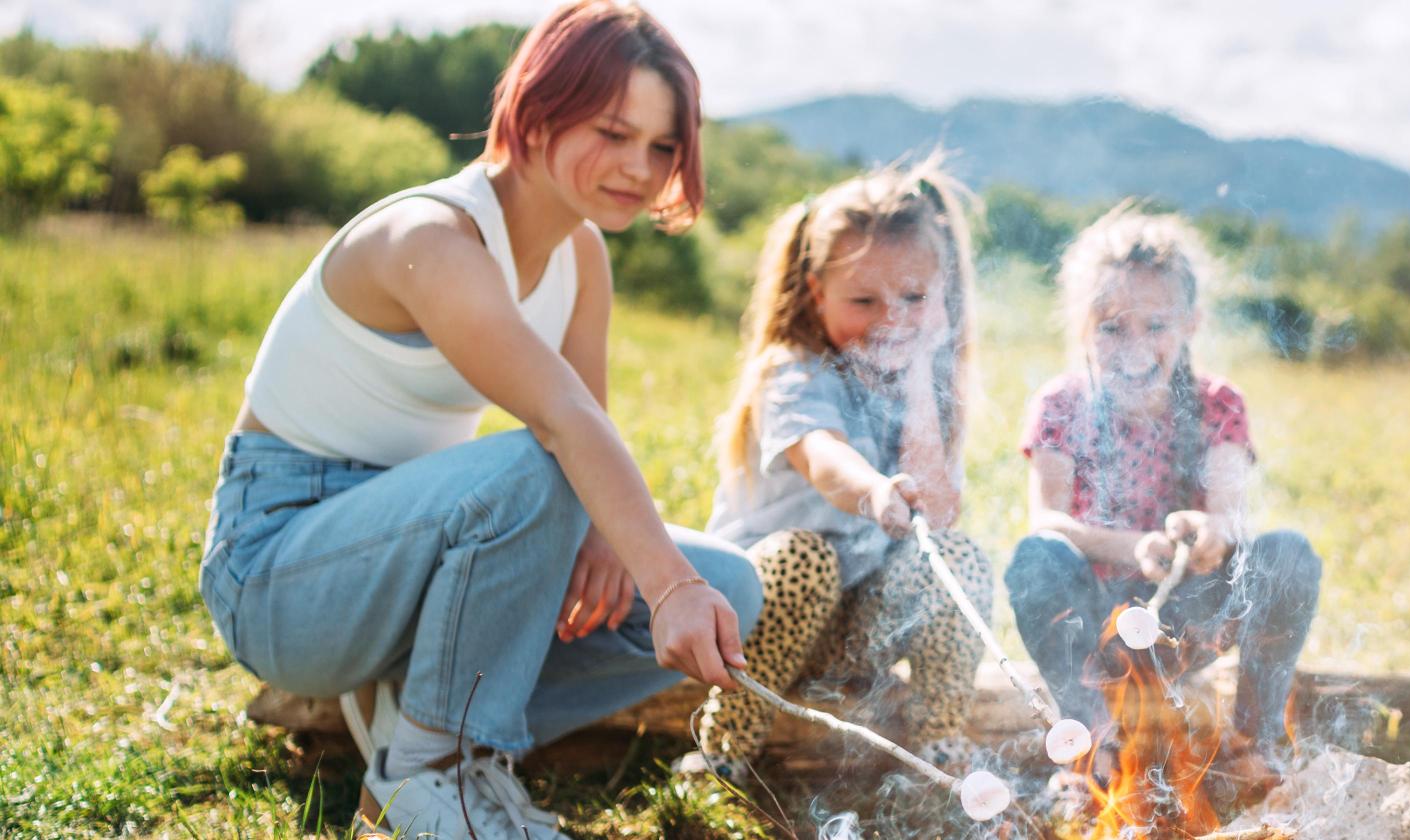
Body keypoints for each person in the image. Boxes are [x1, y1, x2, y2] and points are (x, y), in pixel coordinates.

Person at [195, 3, 760, 836]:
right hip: (283, 573)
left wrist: (620, 545)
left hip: (416, 558)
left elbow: (586, 426)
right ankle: (425, 776)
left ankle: (430, 721)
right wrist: (664, 579)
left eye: (663, 146)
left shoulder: (582, 256)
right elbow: (563, 422)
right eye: (613, 131)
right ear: (538, 109)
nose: (640, 167)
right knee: (548, 467)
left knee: (733, 587)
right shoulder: (430, 237)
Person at [680, 158, 992, 780]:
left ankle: (937, 747)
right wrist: (874, 490)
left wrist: (925, 375)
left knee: (959, 555)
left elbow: (938, 506)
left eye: (914, 298)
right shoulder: (793, 371)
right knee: (805, 558)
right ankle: (725, 748)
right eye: (863, 300)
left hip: (860, 626)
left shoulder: (921, 382)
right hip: (765, 616)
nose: (891, 320)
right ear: (817, 292)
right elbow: (823, 457)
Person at [1004, 202, 1321, 790]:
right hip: (1096, 618)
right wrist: (1133, 547)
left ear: (1189, 324)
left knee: (1288, 553)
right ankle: (1094, 746)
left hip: (1187, 618)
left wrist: (1209, 536)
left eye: (1155, 326)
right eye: (1111, 326)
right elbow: (1046, 518)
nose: (1133, 346)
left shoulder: (1216, 403)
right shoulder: (1060, 404)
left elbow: (1227, 513)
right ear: (1082, 326)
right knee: (1034, 559)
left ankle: (1251, 741)